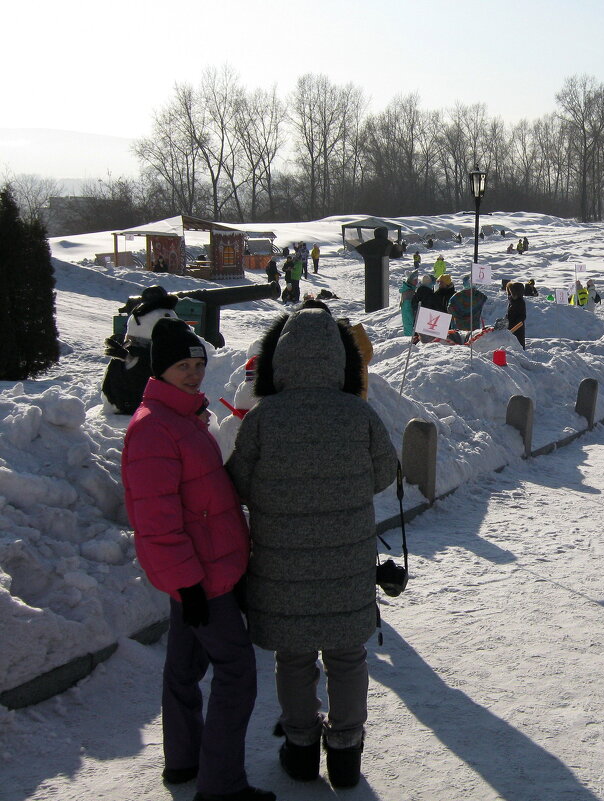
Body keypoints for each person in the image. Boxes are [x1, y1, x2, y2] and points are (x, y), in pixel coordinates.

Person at [227, 308, 397, 789]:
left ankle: (300, 747)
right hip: (346, 562)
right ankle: (346, 752)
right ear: (339, 360)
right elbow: (384, 474)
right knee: (347, 657)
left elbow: (237, 483)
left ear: (279, 360)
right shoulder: (358, 413)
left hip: (282, 566)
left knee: (295, 657)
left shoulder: (263, 418)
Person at [121, 318, 274, 801]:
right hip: (203, 577)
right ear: (160, 369)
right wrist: (188, 585)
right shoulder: (154, 429)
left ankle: (185, 762)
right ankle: (222, 786)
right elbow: (156, 520)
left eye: (198, 364)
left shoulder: (185, 418)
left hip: (204, 572)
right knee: (237, 673)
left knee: (183, 671)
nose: (192, 374)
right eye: (182, 366)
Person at [506, 281, 527, 349]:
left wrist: (516, 323)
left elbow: (523, 316)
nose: (511, 294)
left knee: (518, 344)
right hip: (510, 326)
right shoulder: (512, 301)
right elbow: (509, 314)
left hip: (517, 327)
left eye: (512, 292)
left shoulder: (520, 302)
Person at [399, 271, 419, 337]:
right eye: (415, 280)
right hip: (410, 321)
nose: (416, 281)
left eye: (417, 280)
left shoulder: (410, 289)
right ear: (410, 281)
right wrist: (414, 323)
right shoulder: (408, 292)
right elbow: (408, 310)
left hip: (410, 321)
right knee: (411, 339)